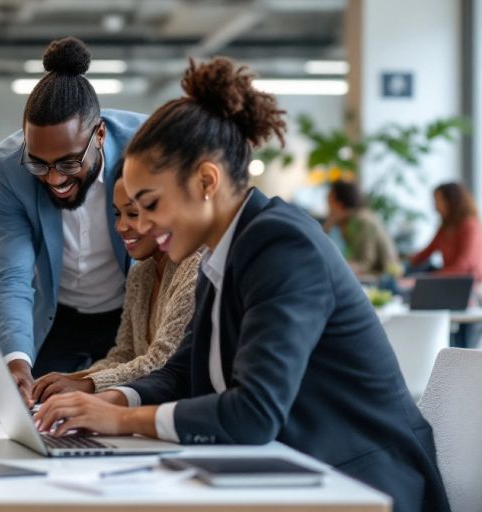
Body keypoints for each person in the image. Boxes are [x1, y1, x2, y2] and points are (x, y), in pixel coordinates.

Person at [35, 57, 448, 512]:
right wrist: (104, 401)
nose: (144, 224)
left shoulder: (282, 245)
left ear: (206, 181)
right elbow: (181, 372)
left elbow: (255, 412)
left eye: (150, 203)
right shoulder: (222, 251)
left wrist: (122, 418)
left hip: (360, 481)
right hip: (284, 470)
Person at [0, 37, 146, 404]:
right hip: (58, 315)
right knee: (38, 405)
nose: (54, 179)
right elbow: (11, 276)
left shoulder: (147, 148)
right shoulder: (8, 169)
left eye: (69, 163)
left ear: (100, 136)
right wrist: (14, 362)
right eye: (38, 163)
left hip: (130, 312)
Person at [31, 166, 201, 402]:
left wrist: (87, 385)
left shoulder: (195, 266)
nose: (121, 227)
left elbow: (163, 362)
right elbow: (124, 355)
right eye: (117, 214)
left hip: (181, 416)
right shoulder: (140, 273)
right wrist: (60, 381)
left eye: (132, 214)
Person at [323, 180, 402, 277]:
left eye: (330, 203)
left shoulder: (362, 220)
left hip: (382, 278)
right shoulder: (352, 221)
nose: (328, 209)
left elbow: (365, 262)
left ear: (340, 204)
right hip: (374, 276)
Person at [410, 182, 482, 281]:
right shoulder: (444, 228)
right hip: (448, 281)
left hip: (469, 284)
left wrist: (428, 279)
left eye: (438, 201)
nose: (435, 207)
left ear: (452, 201)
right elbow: (425, 253)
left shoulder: (470, 226)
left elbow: (464, 266)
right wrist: (404, 262)